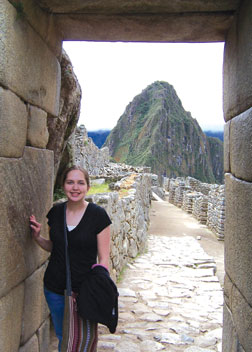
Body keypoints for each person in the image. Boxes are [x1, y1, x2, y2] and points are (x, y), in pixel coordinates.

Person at [30, 165, 112, 352]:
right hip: (55, 288)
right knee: (63, 337)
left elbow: (104, 259)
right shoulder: (55, 213)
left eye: (80, 183)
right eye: (70, 182)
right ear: (64, 185)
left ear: (88, 187)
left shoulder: (98, 216)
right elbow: (55, 247)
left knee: (84, 340)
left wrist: (97, 290)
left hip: (85, 292)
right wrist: (37, 238)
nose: (75, 187)